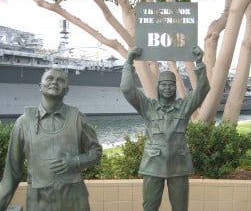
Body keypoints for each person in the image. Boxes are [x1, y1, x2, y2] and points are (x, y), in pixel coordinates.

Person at [120, 46, 210, 211]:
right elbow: (127, 90)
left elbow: (203, 90)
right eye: (163, 85)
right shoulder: (148, 107)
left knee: (180, 207)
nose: (167, 88)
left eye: (171, 85)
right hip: (153, 165)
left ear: (175, 88)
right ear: (158, 87)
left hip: (179, 165)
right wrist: (129, 62)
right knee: (150, 206)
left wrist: (199, 63)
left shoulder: (184, 106)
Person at [0, 68, 102, 211]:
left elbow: (96, 151)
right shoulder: (23, 123)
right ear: (40, 86)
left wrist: (75, 161)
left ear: (66, 90)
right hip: (39, 201)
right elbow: (11, 173)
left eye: (61, 80)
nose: (55, 82)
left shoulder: (78, 118)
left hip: (74, 198)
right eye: (49, 78)